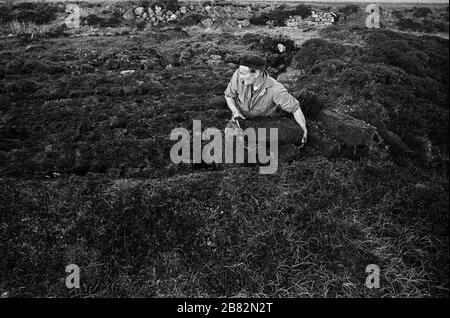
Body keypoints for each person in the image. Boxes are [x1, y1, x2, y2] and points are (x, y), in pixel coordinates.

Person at [224, 54, 307, 145]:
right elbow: (229, 96)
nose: (240, 76)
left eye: (243, 73)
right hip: (238, 121)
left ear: (256, 73)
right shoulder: (238, 75)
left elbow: (295, 108)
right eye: (240, 72)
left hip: (261, 126)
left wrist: (304, 130)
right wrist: (235, 111)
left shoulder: (276, 89)